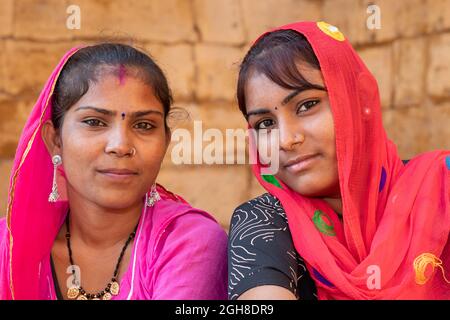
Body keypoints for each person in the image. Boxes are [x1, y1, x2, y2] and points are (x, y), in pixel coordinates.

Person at [228, 21, 450, 300]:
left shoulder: (441, 190)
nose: (286, 140)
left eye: (307, 105)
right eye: (265, 123)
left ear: (356, 101)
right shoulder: (262, 221)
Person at [0, 43, 227, 300]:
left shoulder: (188, 242)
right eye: (95, 122)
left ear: (165, 142)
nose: (120, 146)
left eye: (143, 125)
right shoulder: (7, 250)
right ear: (55, 140)